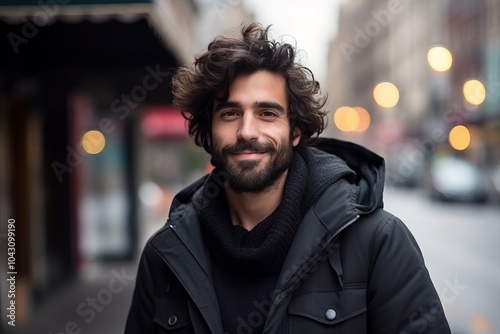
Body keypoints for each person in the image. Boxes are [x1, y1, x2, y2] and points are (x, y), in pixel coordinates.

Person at [124, 22, 451, 334]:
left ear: (295, 131)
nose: (247, 131)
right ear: (208, 131)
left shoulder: (378, 241)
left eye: (267, 113)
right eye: (229, 113)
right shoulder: (165, 254)